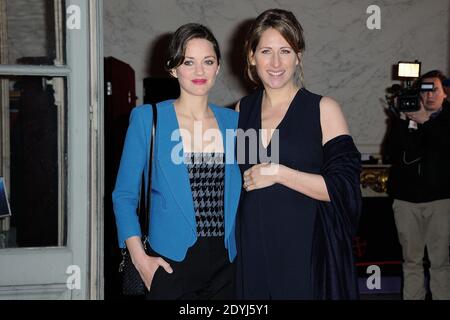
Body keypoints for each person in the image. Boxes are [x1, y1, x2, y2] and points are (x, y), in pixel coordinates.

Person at [234, 8, 362, 299]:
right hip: (252, 248)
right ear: (252, 56)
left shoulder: (323, 108)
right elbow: (243, 182)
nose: (276, 62)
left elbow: (345, 189)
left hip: (305, 251)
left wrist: (280, 173)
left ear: (298, 55)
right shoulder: (243, 109)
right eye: (266, 51)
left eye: (286, 51)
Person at [112, 23, 242, 300]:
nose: (199, 71)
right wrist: (140, 259)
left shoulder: (236, 123)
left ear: (218, 67)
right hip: (170, 264)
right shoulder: (148, 119)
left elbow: (257, 185)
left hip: (227, 266)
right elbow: (123, 196)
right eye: (188, 62)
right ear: (173, 68)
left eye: (208, 62)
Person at [386, 70, 450, 300]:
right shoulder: (407, 120)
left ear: (445, 94)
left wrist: (425, 121)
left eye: (435, 89)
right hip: (406, 201)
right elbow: (390, 153)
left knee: (440, 261)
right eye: (424, 90)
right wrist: (403, 120)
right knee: (411, 261)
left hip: (441, 201)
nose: (430, 94)